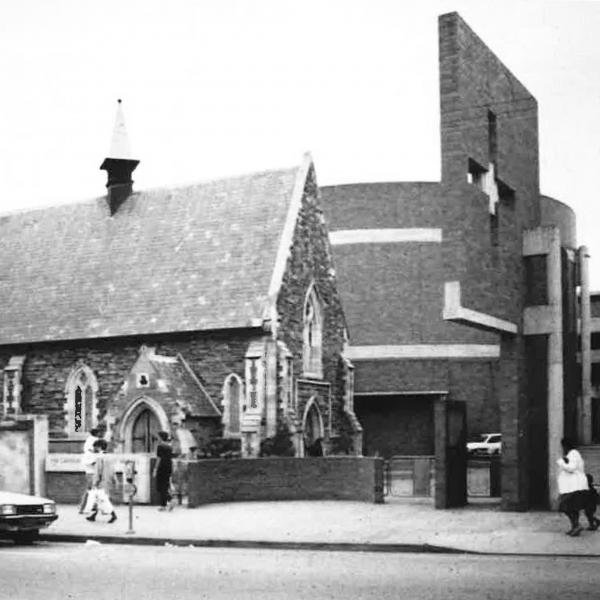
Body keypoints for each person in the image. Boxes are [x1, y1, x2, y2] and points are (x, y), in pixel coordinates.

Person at [556, 438, 589, 536]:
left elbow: (571, 468)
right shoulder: (572, 454)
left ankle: (576, 525)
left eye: (563, 446)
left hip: (574, 486)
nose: (562, 448)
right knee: (572, 507)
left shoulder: (574, 453)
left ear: (566, 445)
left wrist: (561, 462)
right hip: (572, 486)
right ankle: (575, 526)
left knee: (565, 506)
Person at [85, 439, 117, 524]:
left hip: (101, 482)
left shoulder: (99, 457)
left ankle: (113, 515)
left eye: (95, 447)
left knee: (103, 500)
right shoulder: (109, 457)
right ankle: (94, 516)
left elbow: (98, 471)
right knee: (100, 499)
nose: (94, 449)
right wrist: (114, 480)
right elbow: (113, 470)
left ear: (99, 447)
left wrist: (95, 482)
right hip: (108, 481)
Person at [78, 427, 101, 514]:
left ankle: (94, 507)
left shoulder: (91, 449)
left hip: (93, 472)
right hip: (91, 473)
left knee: (95, 491)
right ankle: (82, 508)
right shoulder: (89, 452)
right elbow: (91, 463)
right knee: (90, 490)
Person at [153, 431, 174, 511]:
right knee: (165, 485)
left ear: (161, 437)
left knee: (160, 486)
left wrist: (155, 469)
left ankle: (169, 500)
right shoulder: (169, 447)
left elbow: (159, 458)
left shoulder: (160, 446)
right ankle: (163, 504)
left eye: (158, 437)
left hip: (162, 467)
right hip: (168, 467)